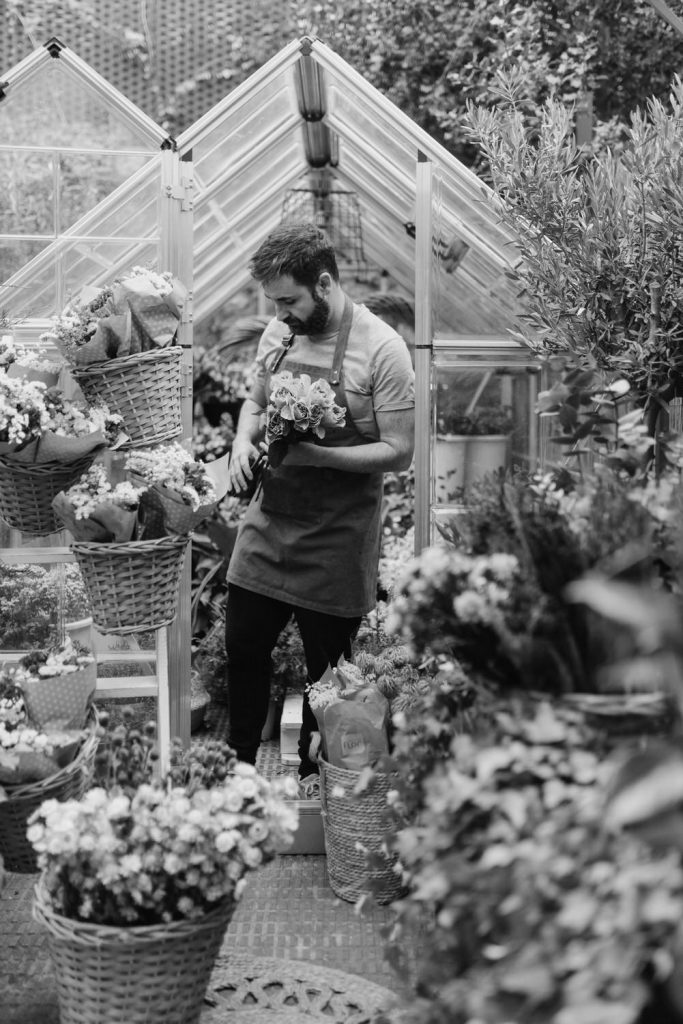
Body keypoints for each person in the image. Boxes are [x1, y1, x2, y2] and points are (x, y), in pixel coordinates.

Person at [224, 221, 415, 791]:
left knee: (326, 675)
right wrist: (241, 440)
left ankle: (314, 779)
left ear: (324, 283)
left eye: (288, 300)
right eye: (274, 302)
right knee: (243, 648)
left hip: (338, 534)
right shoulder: (279, 336)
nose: (279, 314)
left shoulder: (382, 349)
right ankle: (237, 771)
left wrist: (314, 457)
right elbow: (254, 405)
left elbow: (400, 452)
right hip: (271, 521)